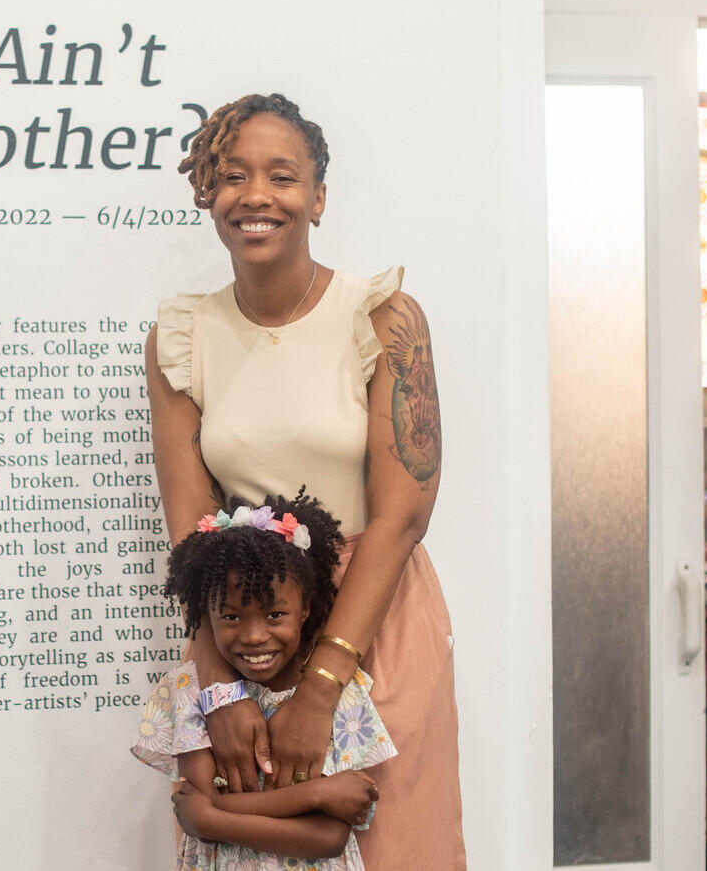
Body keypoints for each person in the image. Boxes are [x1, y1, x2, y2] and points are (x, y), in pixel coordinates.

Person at [145, 92, 465, 867]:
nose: (255, 195)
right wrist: (219, 687)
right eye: (233, 175)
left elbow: (402, 518)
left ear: (318, 197)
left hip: (374, 618)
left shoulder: (384, 317)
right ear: (207, 193)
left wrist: (322, 687)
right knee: (249, 846)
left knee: (393, 845)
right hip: (245, 630)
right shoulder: (180, 337)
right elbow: (192, 531)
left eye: (282, 176)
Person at [132, 491, 393, 870]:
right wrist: (317, 794)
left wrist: (215, 819)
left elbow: (328, 837)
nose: (254, 636)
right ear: (205, 613)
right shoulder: (191, 690)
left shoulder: (339, 693)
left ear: (305, 609)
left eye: (274, 615)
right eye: (232, 617)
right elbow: (198, 807)